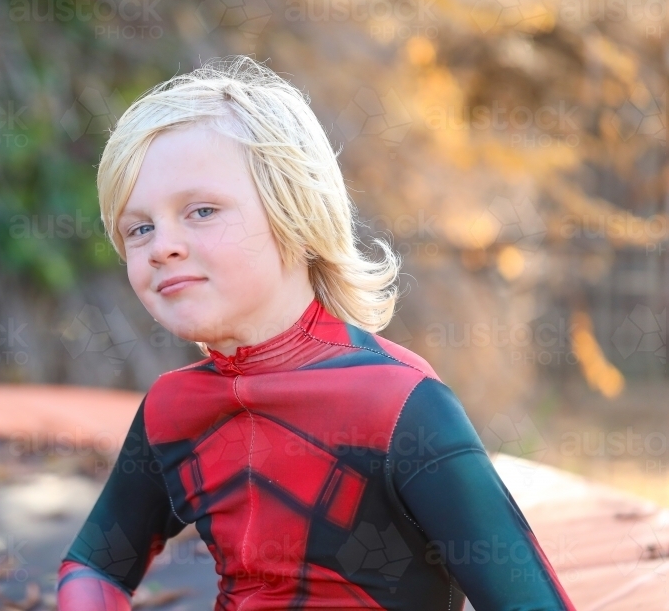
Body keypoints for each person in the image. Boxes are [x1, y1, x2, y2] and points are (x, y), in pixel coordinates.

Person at [55, 56, 577, 610]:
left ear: (296, 216)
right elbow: (93, 564)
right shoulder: (173, 409)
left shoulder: (397, 404)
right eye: (140, 228)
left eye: (202, 211)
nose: (163, 245)